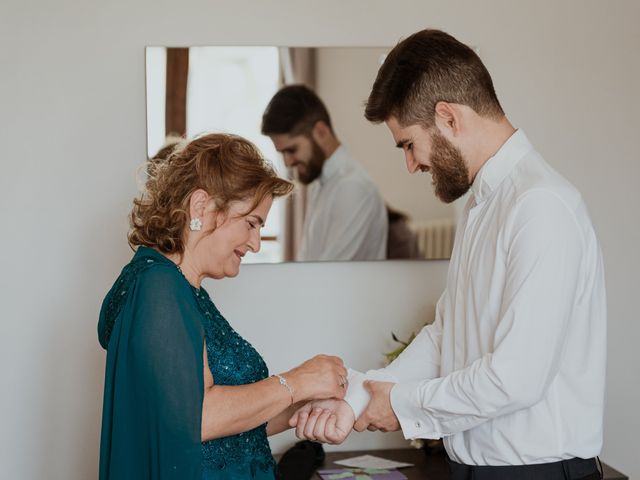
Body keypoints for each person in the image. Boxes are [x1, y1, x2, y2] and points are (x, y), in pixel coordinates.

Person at [291, 29, 606, 480]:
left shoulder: (541, 206)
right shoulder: (481, 206)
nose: (411, 164)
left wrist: (398, 404)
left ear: (448, 118)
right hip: (474, 470)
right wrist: (360, 394)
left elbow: (515, 378)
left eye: (407, 144)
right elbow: (447, 337)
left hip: (537, 473)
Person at [97, 133, 349, 480]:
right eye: (251, 223)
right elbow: (197, 418)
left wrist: (306, 402)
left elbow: (228, 430)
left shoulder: (184, 290)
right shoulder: (159, 287)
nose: (256, 243)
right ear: (201, 207)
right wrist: (297, 381)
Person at [261, 85, 388, 261]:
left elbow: (329, 275)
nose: (287, 162)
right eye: (282, 153)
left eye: (291, 150)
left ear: (321, 131)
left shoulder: (352, 188)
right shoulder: (323, 184)